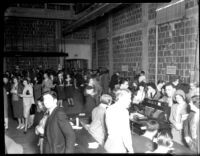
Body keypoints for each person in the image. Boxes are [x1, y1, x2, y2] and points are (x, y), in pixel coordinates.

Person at [104, 89, 134, 153]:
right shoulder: (123, 111)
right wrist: (131, 150)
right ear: (121, 98)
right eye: (129, 98)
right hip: (118, 147)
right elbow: (126, 133)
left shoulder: (109, 108)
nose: (130, 100)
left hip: (108, 143)